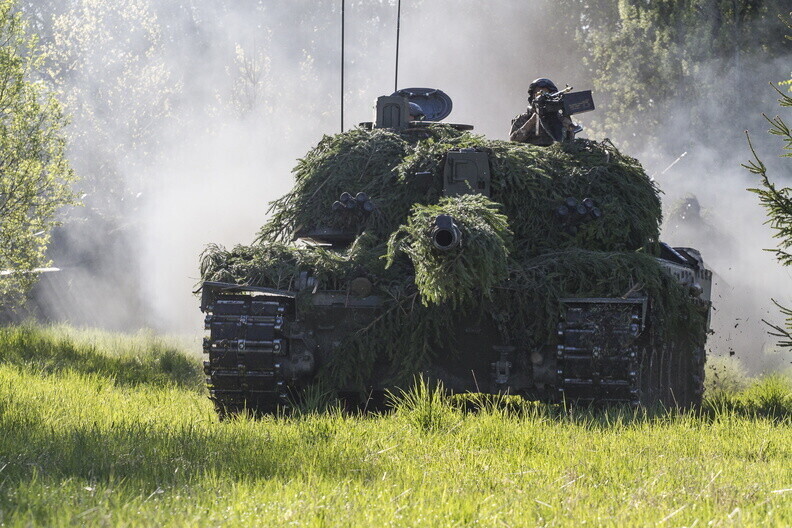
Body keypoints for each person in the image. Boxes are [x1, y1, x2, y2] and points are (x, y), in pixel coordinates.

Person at [510, 78, 579, 145]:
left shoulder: (559, 118)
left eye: (545, 94)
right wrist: (532, 121)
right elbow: (513, 141)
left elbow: (569, 141)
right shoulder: (523, 118)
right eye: (537, 94)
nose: (541, 98)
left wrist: (565, 117)